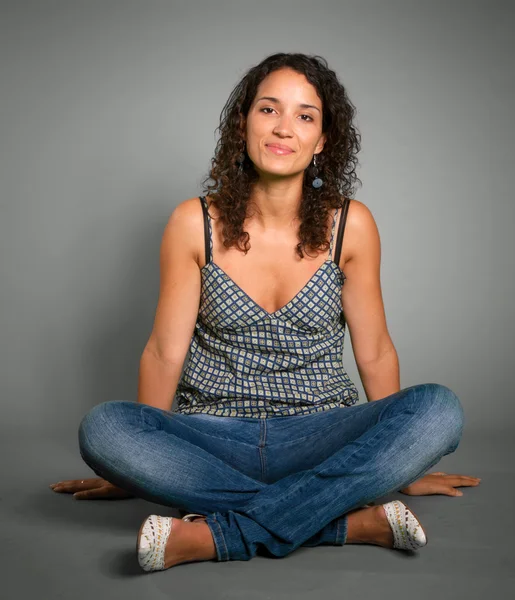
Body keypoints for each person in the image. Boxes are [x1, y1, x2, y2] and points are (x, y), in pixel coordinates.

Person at [50, 52, 480, 572]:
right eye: (268, 110)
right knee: (103, 428)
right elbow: (164, 352)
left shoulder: (352, 225)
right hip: (214, 437)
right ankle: (342, 521)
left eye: (305, 116)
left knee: (439, 410)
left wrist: (400, 461)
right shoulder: (194, 223)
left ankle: (211, 536)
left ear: (322, 141)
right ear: (243, 123)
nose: (283, 128)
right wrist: (137, 463)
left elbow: (376, 349)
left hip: (321, 436)